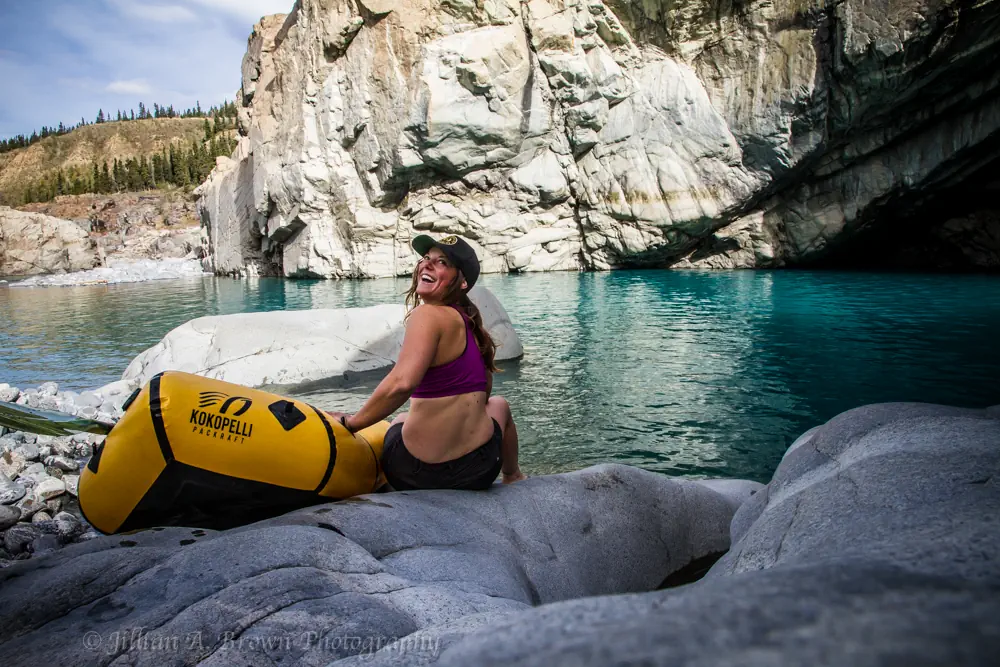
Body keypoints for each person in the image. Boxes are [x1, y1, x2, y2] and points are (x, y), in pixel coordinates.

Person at [328, 234, 526, 490]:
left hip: (417, 473)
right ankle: (514, 477)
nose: (427, 265)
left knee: (400, 421)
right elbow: (484, 396)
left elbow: (402, 383)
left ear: (463, 282)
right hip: (480, 469)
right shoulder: (473, 329)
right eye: (426, 258)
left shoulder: (427, 314)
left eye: (442, 262)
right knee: (499, 404)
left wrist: (352, 422)